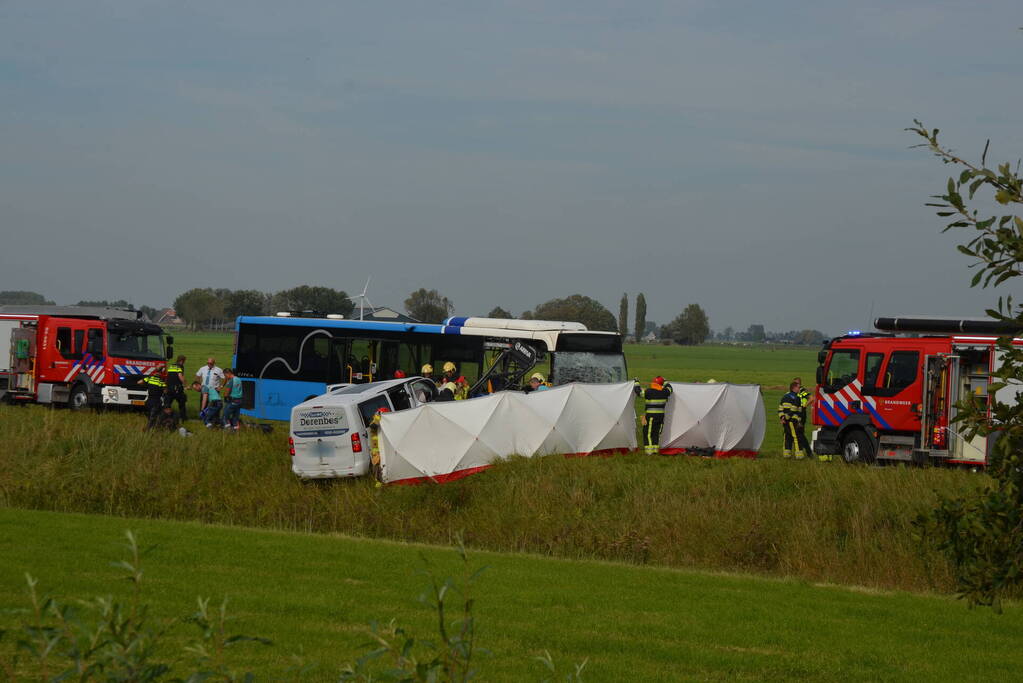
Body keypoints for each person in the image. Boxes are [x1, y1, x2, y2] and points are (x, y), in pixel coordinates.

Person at [636, 375, 672, 455]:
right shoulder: (665, 392)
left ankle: (649, 451)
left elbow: (638, 392)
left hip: (651, 416)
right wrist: (665, 380)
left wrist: (636, 382)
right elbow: (670, 388)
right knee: (656, 433)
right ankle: (655, 450)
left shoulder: (649, 391)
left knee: (648, 433)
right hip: (661, 416)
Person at [779, 381, 811, 459]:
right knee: (796, 437)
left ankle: (787, 454)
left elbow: (780, 408)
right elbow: (794, 409)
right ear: (794, 388)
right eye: (798, 387)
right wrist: (788, 418)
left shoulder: (785, 396)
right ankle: (799, 455)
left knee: (787, 437)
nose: (799, 389)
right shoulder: (796, 397)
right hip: (793, 421)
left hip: (785, 421)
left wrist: (782, 417)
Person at [165, 355, 187, 420]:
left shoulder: (171, 366)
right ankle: (183, 418)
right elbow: (180, 376)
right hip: (177, 388)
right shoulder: (180, 366)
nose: (184, 362)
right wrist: (186, 385)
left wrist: (166, 386)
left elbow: (167, 377)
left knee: (168, 403)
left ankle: (166, 417)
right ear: (181, 361)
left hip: (169, 388)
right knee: (182, 403)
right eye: (184, 361)